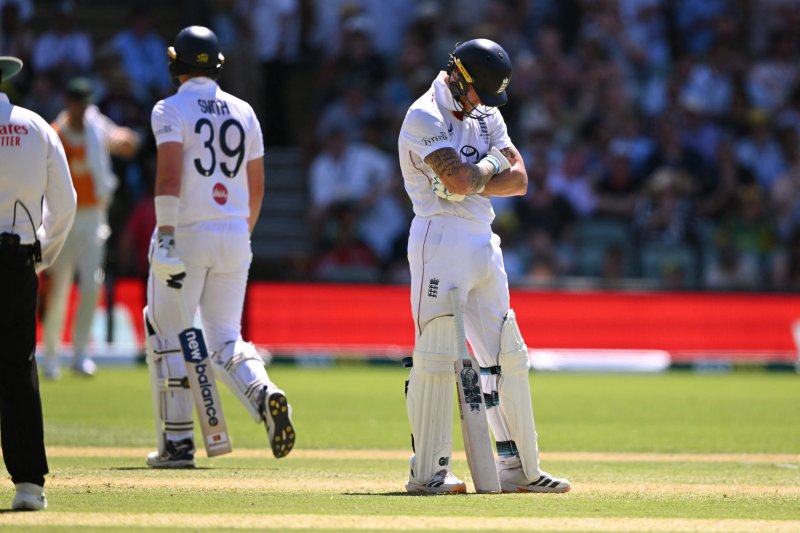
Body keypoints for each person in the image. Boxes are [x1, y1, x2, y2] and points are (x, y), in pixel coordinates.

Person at [397, 39, 570, 494]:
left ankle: (519, 469)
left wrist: (484, 168)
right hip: (439, 236)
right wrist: (484, 171)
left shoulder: (487, 112)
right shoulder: (424, 116)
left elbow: (519, 179)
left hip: (482, 239)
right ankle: (428, 473)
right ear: (457, 75)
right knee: (435, 355)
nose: (482, 105)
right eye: (478, 93)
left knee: (507, 354)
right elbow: (456, 180)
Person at [144, 26, 295, 468]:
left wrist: (168, 237)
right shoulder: (245, 111)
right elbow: (258, 188)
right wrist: (238, 234)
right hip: (234, 234)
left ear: (177, 63)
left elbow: (169, 178)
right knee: (226, 338)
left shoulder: (169, 108)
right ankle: (263, 390)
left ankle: (177, 444)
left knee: (168, 332)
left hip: (187, 233)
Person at [0, 55, 77, 510]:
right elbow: (64, 203)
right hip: (16, 258)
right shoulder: (36, 126)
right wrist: (40, 254)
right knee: (17, 366)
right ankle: (29, 485)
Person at [41, 77, 139, 379]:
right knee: (58, 289)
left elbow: (124, 142)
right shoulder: (55, 133)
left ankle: (81, 353)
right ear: (68, 103)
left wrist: (128, 140)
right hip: (63, 219)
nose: (83, 110)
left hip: (93, 217)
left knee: (90, 287)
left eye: (86, 104)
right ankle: (52, 355)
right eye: (78, 104)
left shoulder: (97, 126)